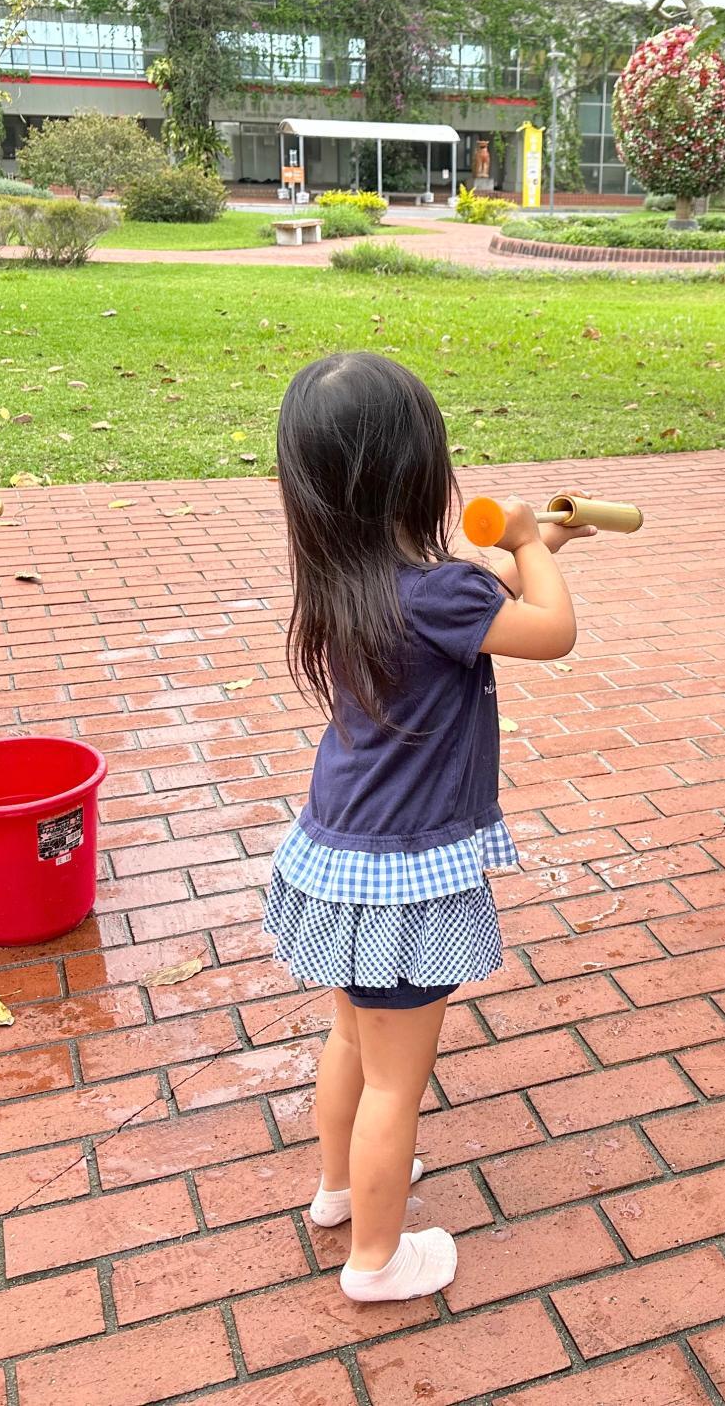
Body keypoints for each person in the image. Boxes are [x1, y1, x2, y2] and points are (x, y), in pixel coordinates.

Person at [266, 352, 587, 1302]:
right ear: (420, 474)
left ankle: (336, 1192)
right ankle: (378, 1259)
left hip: (337, 855)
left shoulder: (345, 579)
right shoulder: (445, 595)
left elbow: (469, 589)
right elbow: (551, 632)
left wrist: (531, 552)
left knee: (352, 1046)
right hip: (410, 875)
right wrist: (528, 547)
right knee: (397, 1086)